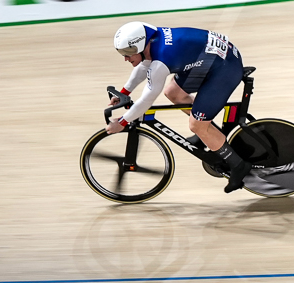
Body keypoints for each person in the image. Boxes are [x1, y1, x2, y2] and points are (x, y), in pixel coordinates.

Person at [108, 22, 256, 193]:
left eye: (128, 53)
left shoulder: (161, 59)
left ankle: (238, 165)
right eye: (122, 53)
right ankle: (207, 134)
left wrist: (123, 121)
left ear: (140, 45)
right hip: (211, 57)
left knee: (196, 125)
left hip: (224, 67)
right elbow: (143, 65)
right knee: (173, 92)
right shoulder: (152, 40)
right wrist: (124, 91)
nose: (125, 58)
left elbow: (147, 99)